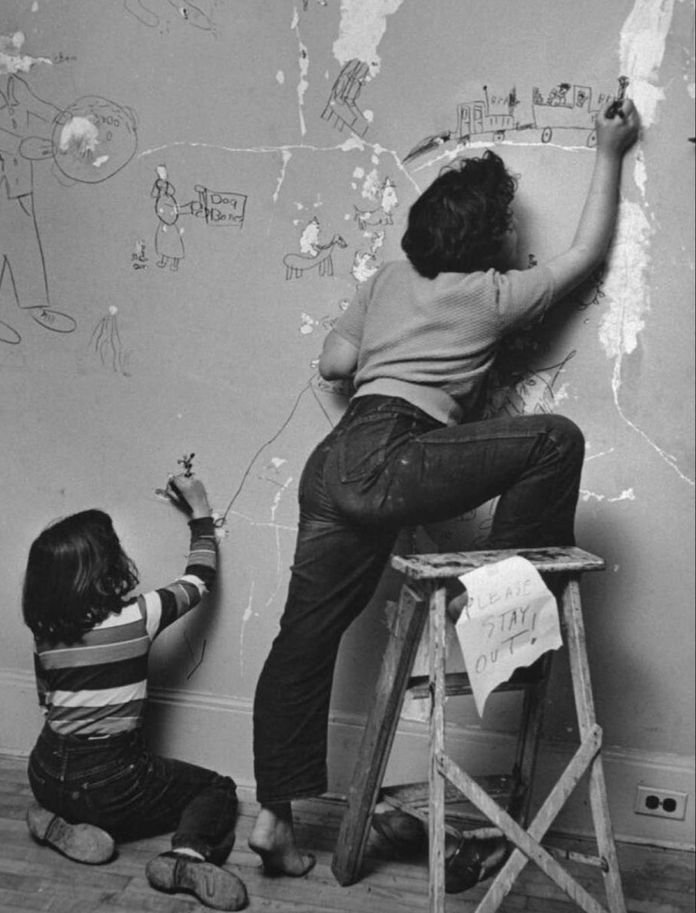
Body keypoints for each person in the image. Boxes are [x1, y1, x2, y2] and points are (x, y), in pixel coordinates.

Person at [248, 100, 641, 888]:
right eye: (504, 230)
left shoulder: (388, 279)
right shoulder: (492, 295)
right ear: (486, 241)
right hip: (396, 453)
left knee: (303, 639)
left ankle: (273, 820)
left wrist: (381, 341)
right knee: (555, 438)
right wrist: (609, 148)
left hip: (337, 464)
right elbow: (587, 253)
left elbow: (333, 363)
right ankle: (493, 602)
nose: (513, 241)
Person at [23, 473, 248, 912]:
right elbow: (199, 579)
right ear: (107, 567)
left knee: (79, 791)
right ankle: (186, 856)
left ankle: (60, 821)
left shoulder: (44, 634)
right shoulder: (138, 616)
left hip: (45, 771)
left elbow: (46, 701)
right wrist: (200, 510)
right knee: (217, 788)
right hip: (113, 783)